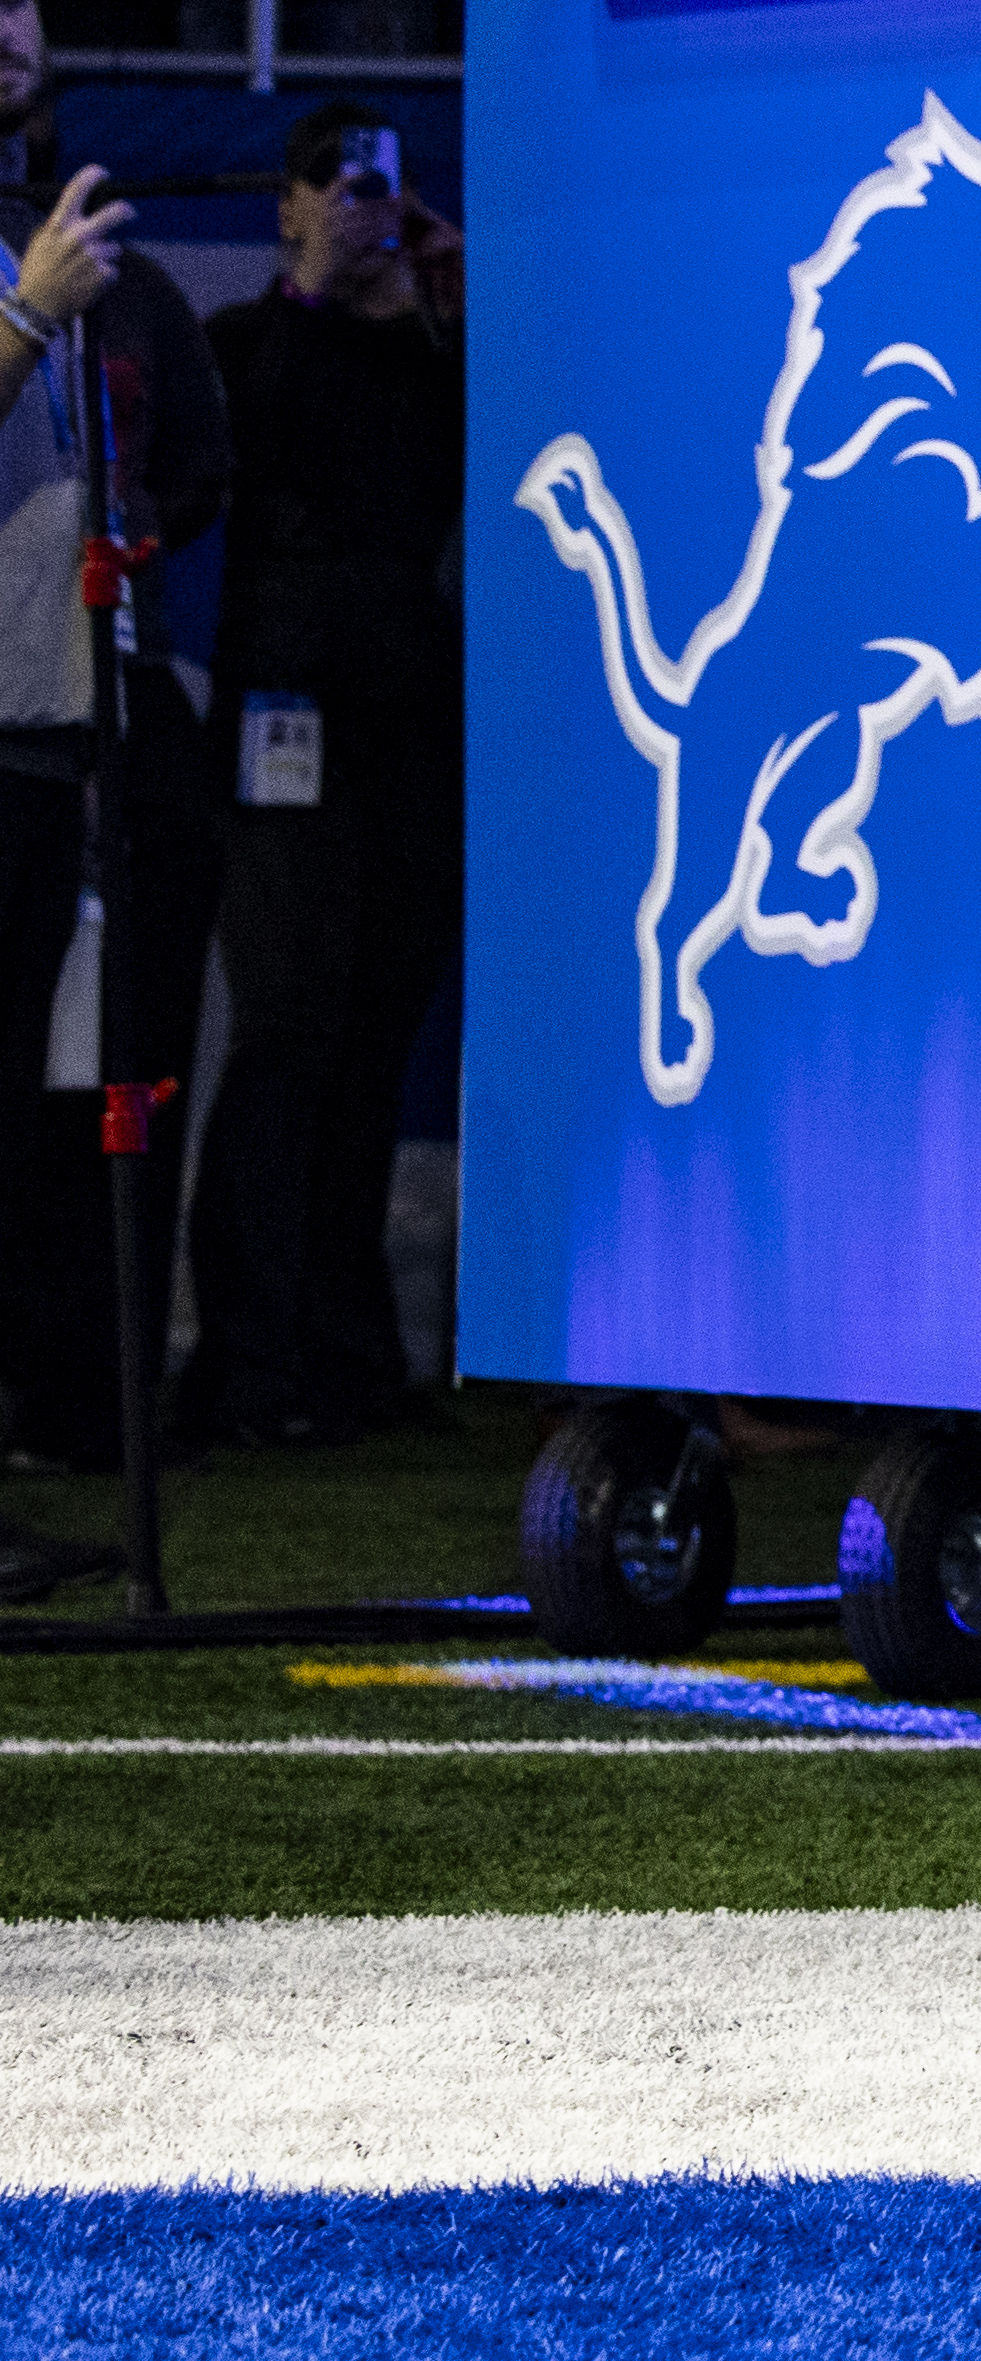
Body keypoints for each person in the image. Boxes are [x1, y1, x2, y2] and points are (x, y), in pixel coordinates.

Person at [181, 105, 461, 1449]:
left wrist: (444, 304)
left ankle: (351, 1357)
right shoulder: (247, 343)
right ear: (289, 205)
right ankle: (247, 1354)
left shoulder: (429, 360)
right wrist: (315, 291)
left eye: (381, 186)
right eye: (335, 183)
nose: (360, 204)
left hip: (406, 714)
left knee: (374, 1027)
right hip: (282, 709)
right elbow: (237, 453)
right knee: (290, 1015)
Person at [0, 0, 228, 1473]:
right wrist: (25, 317)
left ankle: (88, 1409)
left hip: (99, 722)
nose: (0, 25)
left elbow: (193, 468)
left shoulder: (101, 252)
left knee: (102, 1091)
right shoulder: (52, 272)